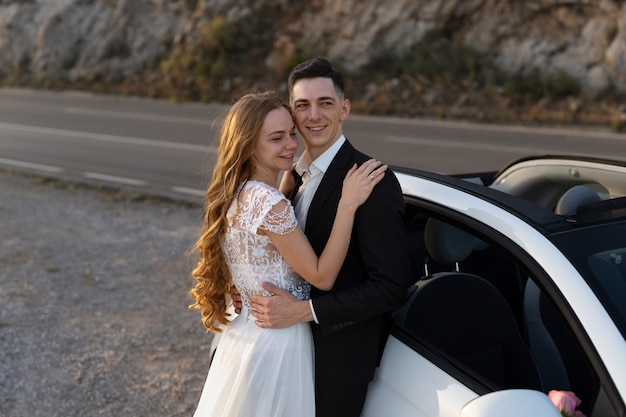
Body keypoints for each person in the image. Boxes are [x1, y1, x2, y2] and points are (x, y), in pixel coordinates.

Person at [189, 90, 387, 417]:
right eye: (277, 138)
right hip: (278, 342)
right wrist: (348, 204)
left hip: (246, 335)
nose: (291, 145)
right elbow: (322, 277)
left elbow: (263, 248)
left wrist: (287, 182)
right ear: (249, 144)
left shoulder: (240, 193)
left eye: (291, 134)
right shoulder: (269, 203)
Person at [248, 58, 409, 417]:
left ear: (344, 109)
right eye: (302, 105)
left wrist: (303, 311)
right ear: (291, 112)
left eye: (325, 103)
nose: (314, 116)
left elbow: (390, 286)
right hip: (283, 350)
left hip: (338, 364)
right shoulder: (291, 176)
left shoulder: (372, 183)